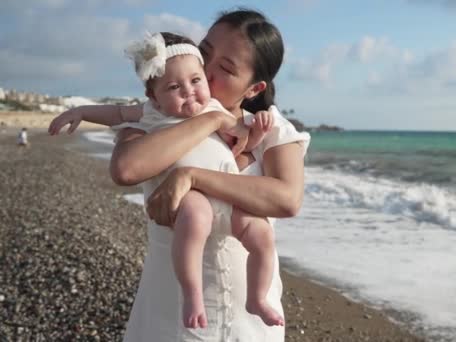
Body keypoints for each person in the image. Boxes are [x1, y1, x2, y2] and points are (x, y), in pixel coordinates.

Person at [55, 9, 309, 341]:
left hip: (250, 322)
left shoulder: (270, 130)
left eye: (226, 68)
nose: (206, 71)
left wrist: (191, 176)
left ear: (253, 88)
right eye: (204, 54)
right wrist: (211, 121)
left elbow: (287, 199)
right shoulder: (155, 115)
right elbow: (127, 169)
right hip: (173, 311)